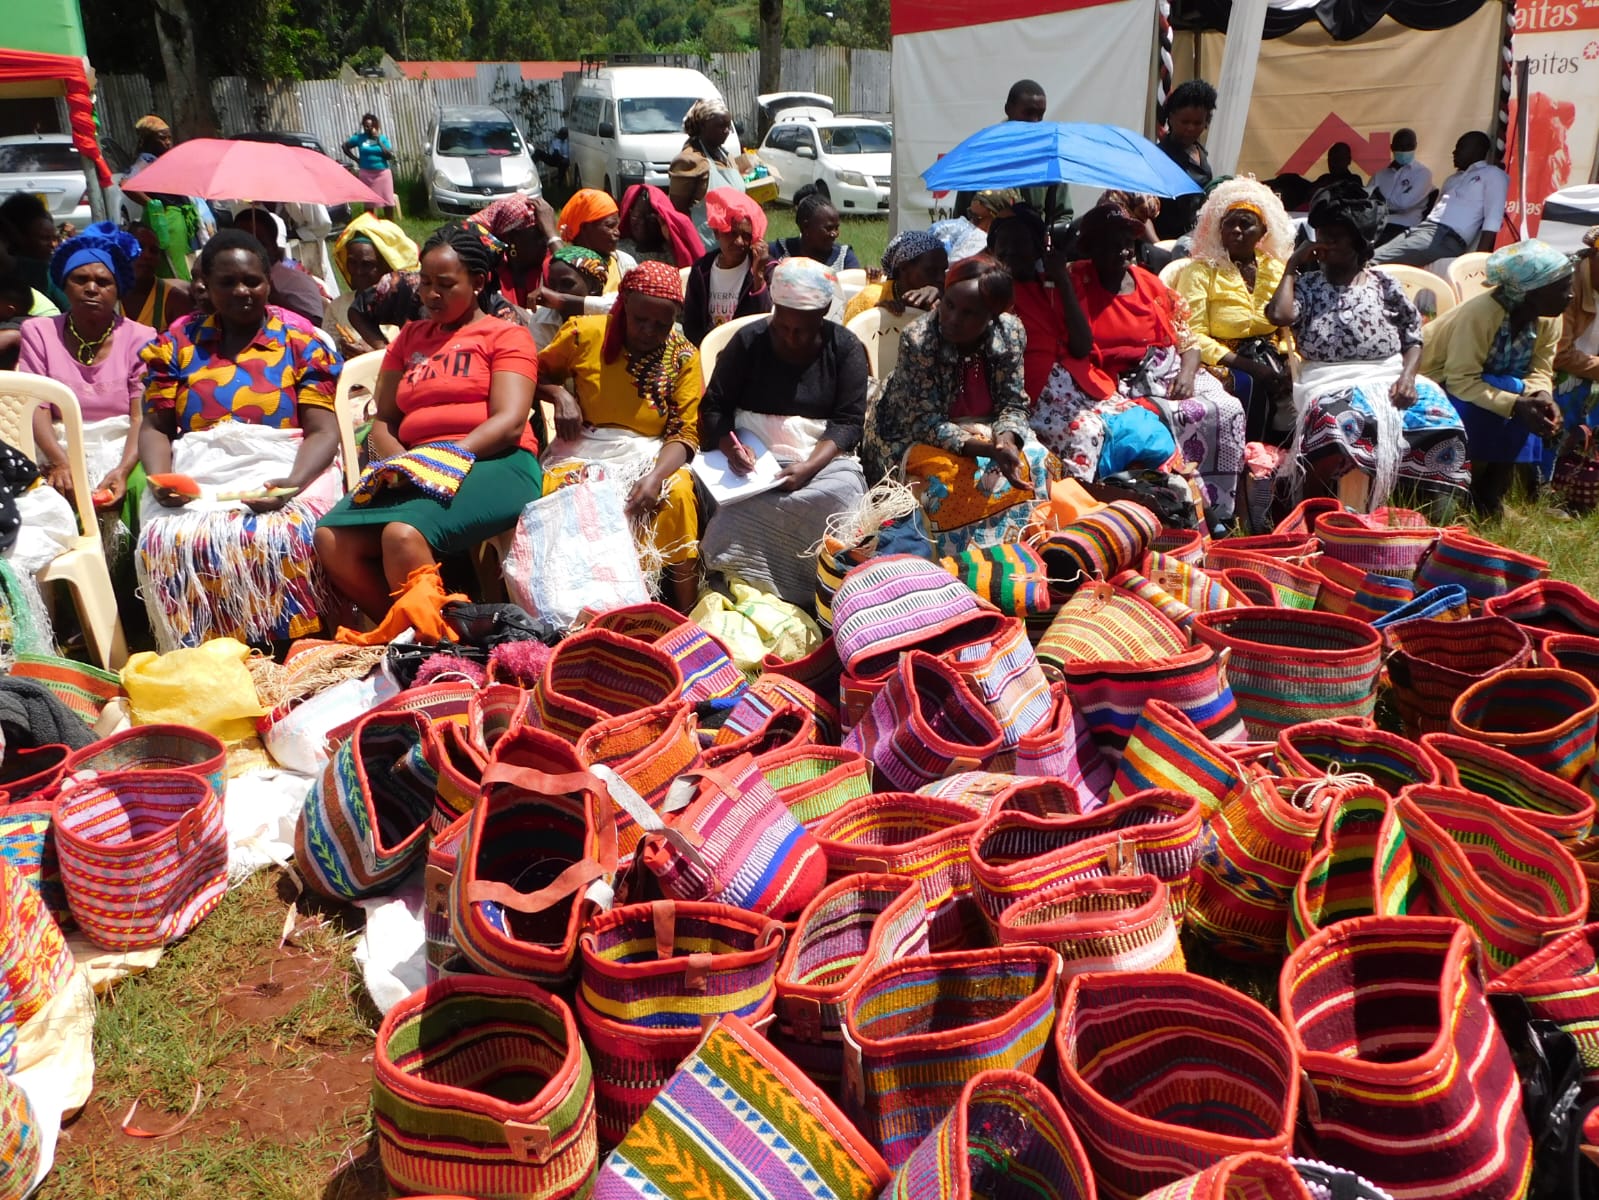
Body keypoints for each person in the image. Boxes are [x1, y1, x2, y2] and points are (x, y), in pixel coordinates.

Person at [316, 223, 544, 622]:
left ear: (478, 283)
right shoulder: (410, 338)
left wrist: (441, 460)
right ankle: (409, 632)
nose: (431, 295)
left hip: (496, 461)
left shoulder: (506, 336)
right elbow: (384, 420)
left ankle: (436, 642)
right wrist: (402, 464)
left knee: (401, 534)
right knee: (332, 538)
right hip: (415, 469)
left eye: (445, 284)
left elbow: (509, 422)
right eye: (424, 283)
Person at [135, 229, 344, 649]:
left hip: (286, 464)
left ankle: (296, 645)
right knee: (170, 539)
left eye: (252, 281)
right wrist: (160, 479)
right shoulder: (177, 344)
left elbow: (323, 430)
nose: (242, 291)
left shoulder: (300, 343)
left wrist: (290, 484)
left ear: (269, 283)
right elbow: (156, 427)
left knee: (284, 533)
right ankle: (204, 648)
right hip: (201, 471)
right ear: (206, 286)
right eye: (227, 282)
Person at [1000, 204, 1244, 526]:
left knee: (1224, 409)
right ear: (1089, 248)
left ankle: (1205, 508)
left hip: (1156, 368)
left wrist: (1186, 372)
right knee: (1100, 430)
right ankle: (1083, 517)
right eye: (1111, 243)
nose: (1123, 250)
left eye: (1127, 242)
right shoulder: (1067, 281)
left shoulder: (1147, 283)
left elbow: (1186, 337)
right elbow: (1079, 345)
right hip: (1109, 380)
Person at [1264, 194, 1468, 517]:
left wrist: (1407, 377)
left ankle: (1431, 513)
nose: (1325, 244)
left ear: (1359, 244)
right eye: (1322, 236)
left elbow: (1413, 337)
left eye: (1336, 238)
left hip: (1388, 373)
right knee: (1338, 423)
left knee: (1443, 422)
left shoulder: (1384, 283)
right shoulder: (1308, 285)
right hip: (1329, 379)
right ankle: (1329, 510)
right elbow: (1279, 315)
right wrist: (1291, 266)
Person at [699, 258, 869, 605]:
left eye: (802, 330)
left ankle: (820, 590)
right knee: (731, 507)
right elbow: (714, 407)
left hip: (820, 459)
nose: (791, 336)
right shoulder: (748, 341)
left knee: (844, 494)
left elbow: (848, 422)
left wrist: (808, 468)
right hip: (751, 461)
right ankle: (743, 582)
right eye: (782, 326)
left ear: (823, 312)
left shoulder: (846, 347)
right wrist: (732, 448)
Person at [863, 255, 1061, 555]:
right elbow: (925, 423)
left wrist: (1006, 441)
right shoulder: (920, 340)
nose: (953, 318)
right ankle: (954, 562)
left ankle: (1020, 550)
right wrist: (987, 449)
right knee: (947, 485)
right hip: (908, 434)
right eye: (949, 304)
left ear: (992, 315)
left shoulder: (1010, 333)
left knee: (1036, 462)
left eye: (969, 313)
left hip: (984, 426)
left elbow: (1013, 403)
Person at [537, 261, 703, 611]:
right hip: (587, 446)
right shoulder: (584, 333)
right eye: (640, 319)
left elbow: (685, 433)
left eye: (662, 324)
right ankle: (574, 606)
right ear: (623, 304)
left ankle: (686, 610)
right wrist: (560, 395)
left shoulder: (683, 355)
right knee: (563, 492)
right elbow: (531, 374)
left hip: (651, 452)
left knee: (678, 494)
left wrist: (655, 477)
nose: (649, 331)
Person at [1419, 239, 1573, 517]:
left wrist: (1542, 396)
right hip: (1436, 382)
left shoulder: (1550, 317)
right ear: (1530, 292)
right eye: (1562, 289)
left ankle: (1494, 493)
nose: (1570, 295)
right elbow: (1460, 380)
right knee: (1513, 399)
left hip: (1486, 382)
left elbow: (1540, 369)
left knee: (1530, 402)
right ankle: (1464, 488)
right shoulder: (1480, 314)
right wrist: (1515, 404)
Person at [17, 224, 156, 530]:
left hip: (122, 445)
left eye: (103, 282)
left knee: (140, 489)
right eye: (80, 279)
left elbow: (140, 417)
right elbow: (37, 408)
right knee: (47, 499)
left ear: (117, 290)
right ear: (65, 286)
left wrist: (122, 469)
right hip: (57, 444)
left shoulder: (141, 337)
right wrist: (60, 461)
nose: (91, 288)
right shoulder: (39, 332)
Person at [1176, 177, 1295, 443]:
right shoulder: (1201, 271)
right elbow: (1192, 334)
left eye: (1246, 223)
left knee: (1297, 387)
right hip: (1222, 358)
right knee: (1251, 386)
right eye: (1229, 223)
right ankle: (1246, 457)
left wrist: (1289, 359)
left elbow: (1287, 327)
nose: (1236, 230)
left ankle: (1281, 461)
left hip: (1269, 353)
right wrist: (1249, 366)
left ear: (1263, 231)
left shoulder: (1275, 268)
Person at [1375, 132, 1509, 264]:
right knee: (1373, 255)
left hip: (1445, 237)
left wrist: (1476, 262)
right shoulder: (1452, 179)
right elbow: (1435, 210)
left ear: (1477, 150)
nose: (1454, 152)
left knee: (1375, 261)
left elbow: (1493, 219)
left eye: (1460, 147)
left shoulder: (1493, 174)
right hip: (1421, 229)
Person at [683, 189, 772, 346]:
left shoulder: (765, 268)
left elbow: (764, 321)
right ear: (717, 233)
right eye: (732, 233)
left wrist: (758, 276)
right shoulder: (701, 270)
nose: (739, 242)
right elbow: (692, 325)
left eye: (746, 236)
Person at [330, 211, 422, 352]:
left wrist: (372, 354)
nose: (358, 271)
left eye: (367, 264)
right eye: (352, 262)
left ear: (386, 266)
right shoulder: (336, 307)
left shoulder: (402, 304)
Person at [231, 207, 327, 327]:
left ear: (274, 247)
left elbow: (316, 326)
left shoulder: (297, 281)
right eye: (241, 242)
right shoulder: (225, 281)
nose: (249, 250)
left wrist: (276, 298)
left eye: (260, 243)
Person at [1551, 227, 1599, 464]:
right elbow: (1560, 355)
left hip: (1589, 369)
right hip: (1555, 372)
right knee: (1572, 388)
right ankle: (1552, 471)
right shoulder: (1567, 284)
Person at [1155, 80, 1218, 241]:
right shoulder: (1159, 157)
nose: (1190, 128)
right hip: (1167, 243)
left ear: (1206, 122)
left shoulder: (1200, 152)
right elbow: (1141, 212)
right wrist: (1158, 247)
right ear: (1171, 118)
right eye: (1185, 122)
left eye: (1197, 123)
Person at [843, 230, 948, 324]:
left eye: (944, 270)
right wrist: (879, 317)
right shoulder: (871, 299)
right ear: (903, 267)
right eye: (931, 271)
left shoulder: (946, 298)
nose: (941, 278)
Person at [556, 190, 635, 293]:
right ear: (585, 228)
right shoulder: (564, 270)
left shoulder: (626, 263)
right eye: (610, 226)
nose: (617, 232)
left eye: (617, 226)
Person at [530, 244, 607, 350]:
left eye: (567, 284)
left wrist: (563, 301)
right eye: (552, 284)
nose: (556, 292)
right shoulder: (541, 319)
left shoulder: (611, 318)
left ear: (594, 286)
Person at [771, 186, 862, 273]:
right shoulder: (778, 251)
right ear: (805, 227)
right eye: (828, 228)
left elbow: (856, 281)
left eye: (836, 228)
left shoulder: (844, 258)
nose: (834, 234)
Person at [121, 224, 192, 330]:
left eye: (154, 251)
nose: (147, 255)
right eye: (139, 247)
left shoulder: (175, 302)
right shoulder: (108, 296)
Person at [0, 195, 64, 310]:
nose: (53, 245)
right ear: (17, 237)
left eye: (54, 238)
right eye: (44, 238)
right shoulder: (41, 271)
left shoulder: (49, 273)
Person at [1370, 129, 1433, 245]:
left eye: (1408, 146)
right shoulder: (1380, 175)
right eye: (1400, 147)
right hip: (1378, 224)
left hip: (1407, 227)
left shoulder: (1423, 173)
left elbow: (1404, 203)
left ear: (1415, 146)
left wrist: (1380, 201)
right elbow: (1367, 201)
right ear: (1392, 147)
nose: (1404, 151)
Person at [617, 184, 703, 269]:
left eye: (651, 219)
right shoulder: (619, 251)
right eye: (636, 217)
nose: (643, 223)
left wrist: (671, 240)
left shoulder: (672, 252)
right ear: (629, 214)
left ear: (661, 220)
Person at [681, 98, 745, 194]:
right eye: (721, 126)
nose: (726, 131)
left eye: (728, 126)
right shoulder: (688, 161)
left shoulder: (726, 156)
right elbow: (678, 202)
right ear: (703, 125)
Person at [343, 113, 399, 219]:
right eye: (365, 126)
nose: (367, 128)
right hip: (367, 175)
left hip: (382, 174)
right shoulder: (359, 138)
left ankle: (389, 223)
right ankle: (370, 225)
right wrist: (356, 159)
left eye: (370, 126)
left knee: (388, 202)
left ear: (375, 126)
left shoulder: (382, 138)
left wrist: (378, 141)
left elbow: (389, 156)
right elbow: (345, 146)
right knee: (369, 203)